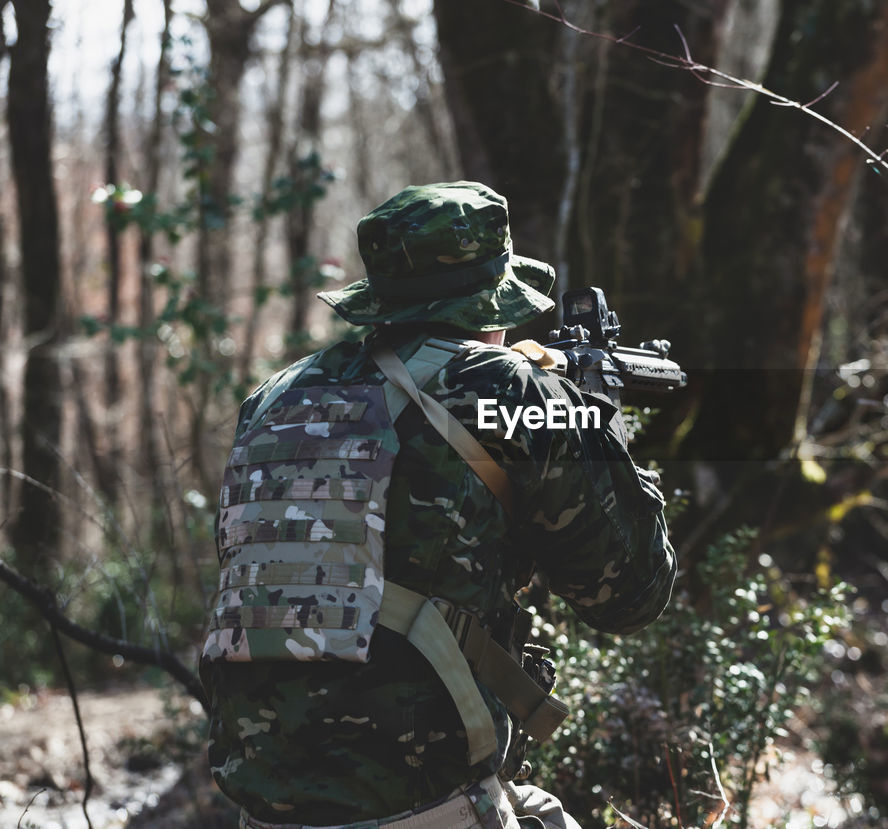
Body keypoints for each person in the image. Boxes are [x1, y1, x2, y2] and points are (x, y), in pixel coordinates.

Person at [200, 181, 676, 828]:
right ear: (492, 300)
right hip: (425, 806)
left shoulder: (276, 396)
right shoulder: (510, 392)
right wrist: (600, 429)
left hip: (262, 808)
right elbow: (632, 594)